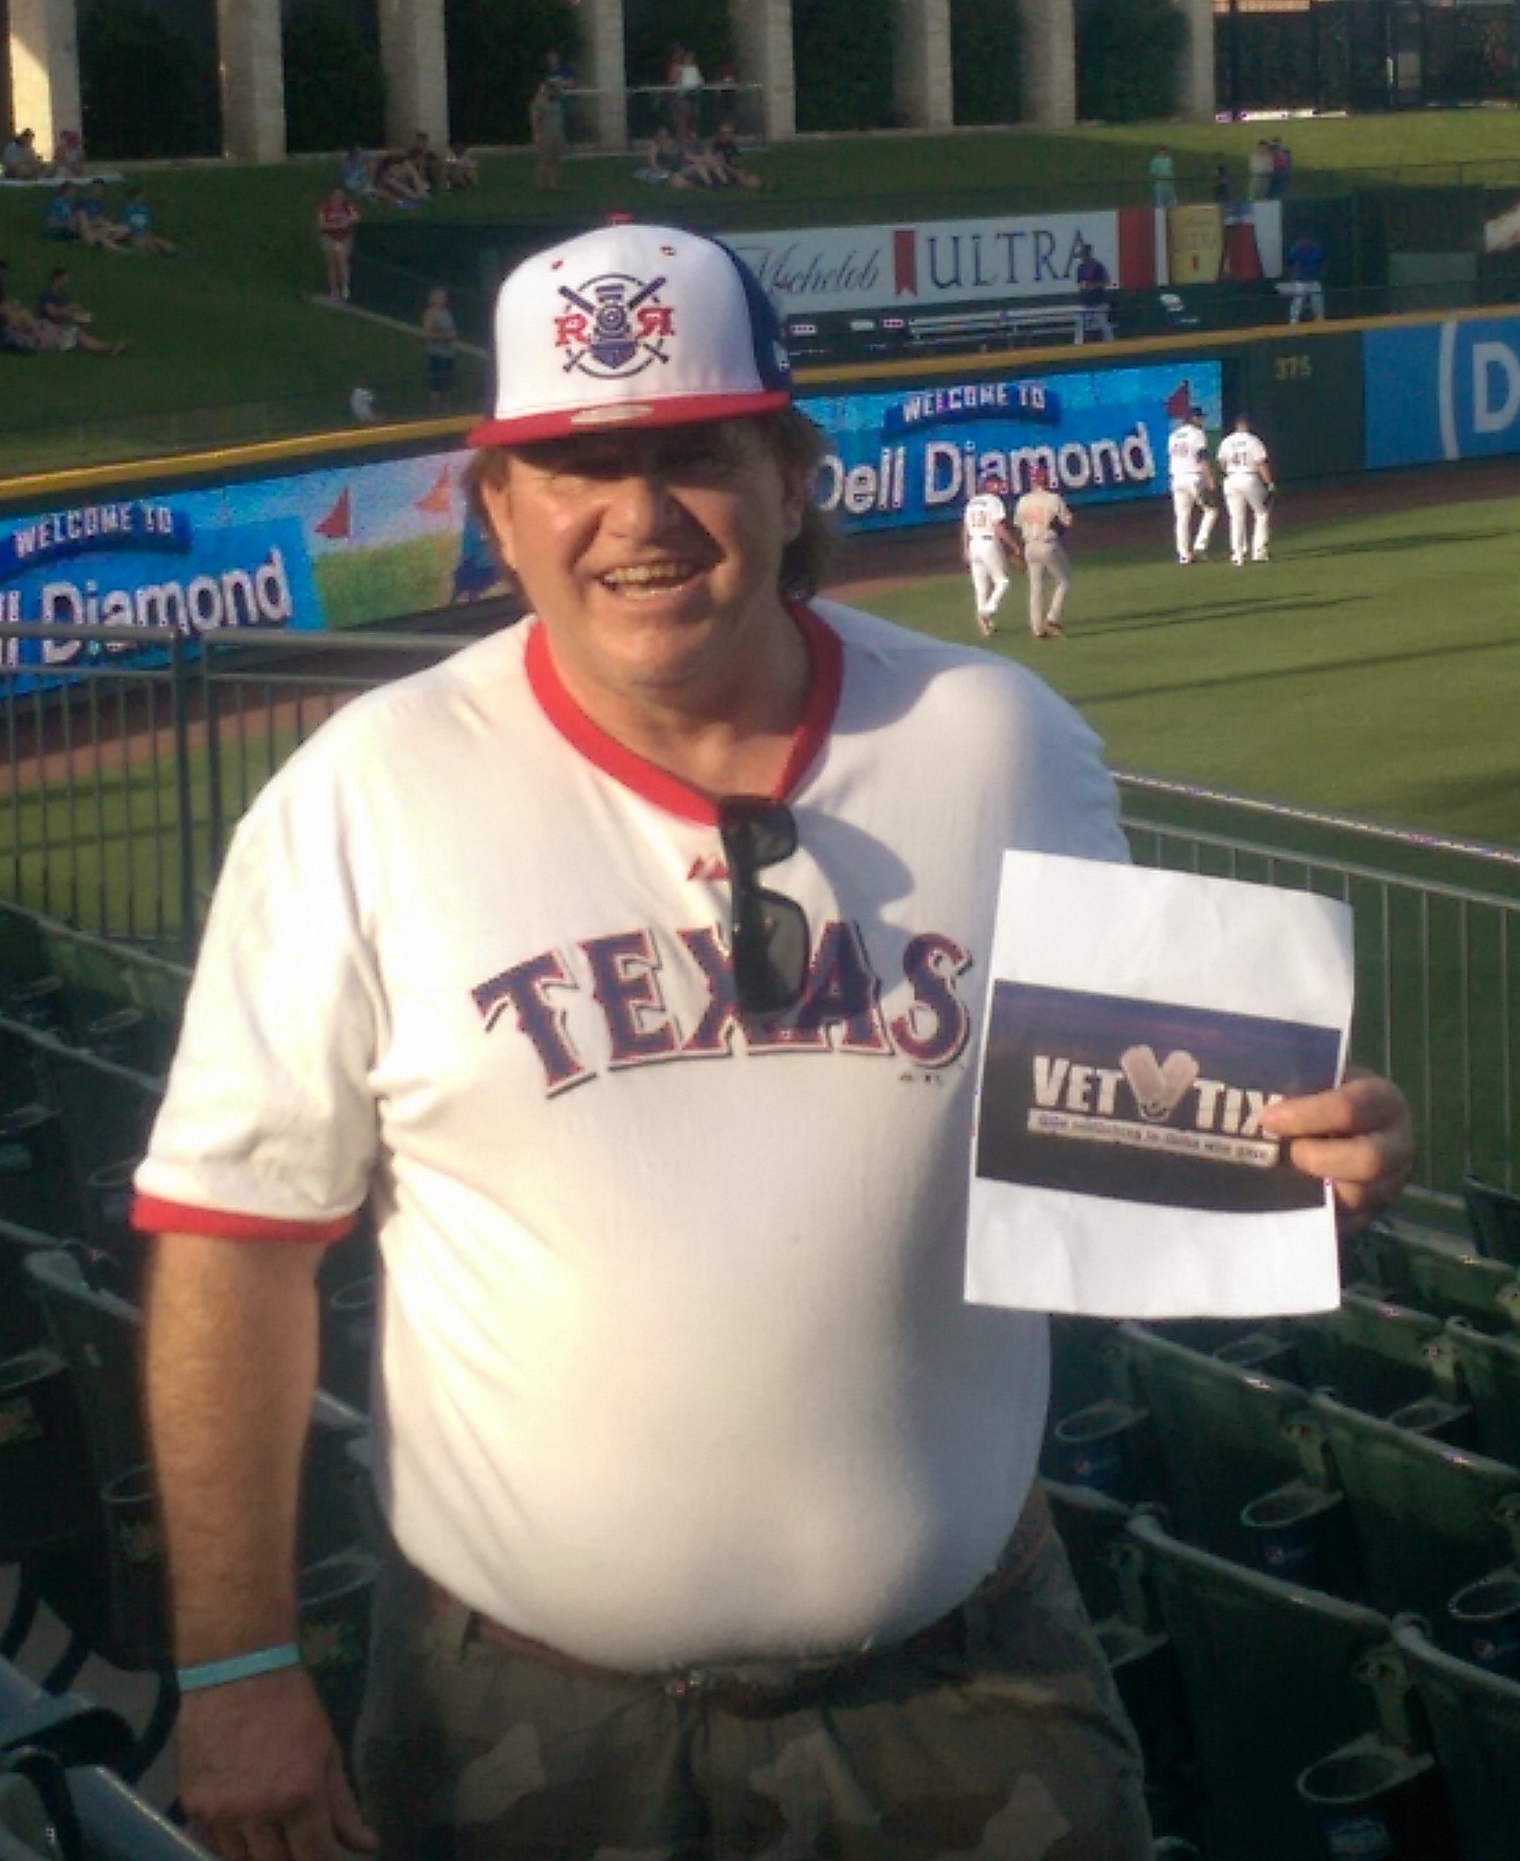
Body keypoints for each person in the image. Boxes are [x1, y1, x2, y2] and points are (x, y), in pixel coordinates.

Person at [132, 220, 1413, 1861]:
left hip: (965, 1693)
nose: (640, 515)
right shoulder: (361, 794)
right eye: (582, 461)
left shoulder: (998, 742)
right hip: (524, 1723)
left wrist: (1300, 1156)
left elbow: (1115, 1142)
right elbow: (232, 1246)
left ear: (798, 472)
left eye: (698, 453)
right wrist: (236, 1666)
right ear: (496, 502)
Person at [1013, 474, 1074, 640]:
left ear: (1032, 482)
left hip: (1029, 546)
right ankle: (1053, 618)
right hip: (1048, 544)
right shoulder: (1053, 499)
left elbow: (1018, 523)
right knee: (1063, 581)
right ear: (1046, 481)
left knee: (1035, 587)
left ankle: (1037, 628)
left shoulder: (1023, 501)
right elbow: (1068, 521)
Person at [1218, 415, 1275, 566]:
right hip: (1249, 478)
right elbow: (1261, 463)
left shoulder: (1227, 441)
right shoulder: (1253, 440)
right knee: (1261, 513)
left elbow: (1222, 464)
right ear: (1248, 425)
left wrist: (1230, 473)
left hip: (1231, 479)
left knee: (1236, 518)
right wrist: (1269, 483)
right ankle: (1259, 552)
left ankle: (1237, 555)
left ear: (1236, 426)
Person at [961, 485, 1018, 637]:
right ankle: (987, 610)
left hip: (974, 544)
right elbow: (997, 526)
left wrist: (966, 547)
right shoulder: (994, 501)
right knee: (1003, 581)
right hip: (988, 542)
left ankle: (985, 625)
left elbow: (966, 527)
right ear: (990, 485)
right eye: (998, 484)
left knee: (981, 587)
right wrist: (1012, 544)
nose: (1001, 487)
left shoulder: (972, 502)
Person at [1168, 405, 1218, 564]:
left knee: (1181, 517)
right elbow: (1202, 457)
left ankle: (1183, 555)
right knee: (1211, 510)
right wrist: (1210, 479)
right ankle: (1200, 546)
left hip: (1177, 479)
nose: (1202, 420)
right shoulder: (1197, 434)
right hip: (1194, 478)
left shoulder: (1173, 435)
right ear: (1193, 418)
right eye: (1200, 417)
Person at [318, 185, 361, 302]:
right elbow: (322, 224)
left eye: (341, 195)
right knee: (332, 264)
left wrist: (347, 221)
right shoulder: (325, 209)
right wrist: (336, 225)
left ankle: (345, 288)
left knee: (342, 261)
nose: (338, 198)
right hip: (329, 237)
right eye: (336, 195)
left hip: (344, 238)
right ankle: (333, 290)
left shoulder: (348, 207)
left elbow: (356, 217)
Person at [420, 285, 458, 412]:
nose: (444, 299)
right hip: (437, 354)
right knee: (436, 384)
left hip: (449, 354)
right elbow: (427, 333)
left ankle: (447, 408)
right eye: (441, 297)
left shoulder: (447, 313)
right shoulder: (430, 313)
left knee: (447, 383)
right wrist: (444, 336)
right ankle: (435, 409)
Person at [529, 73, 566, 190]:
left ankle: (552, 183)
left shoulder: (557, 102)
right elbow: (535, 120)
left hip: (557, 134)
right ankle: (539, 182)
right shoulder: (539, 103)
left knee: (555, 160)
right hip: (546, 134)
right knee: (544, 159)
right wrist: (536, 135)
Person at [1074, 240, 1115, 341]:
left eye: (1083, 254)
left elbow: (1107, 281)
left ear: (1088, 253)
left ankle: (1111, 343)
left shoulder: (1097, 266)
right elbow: (1079, 282)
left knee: (1104, 324)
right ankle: (1078, 344)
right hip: (1086, 302)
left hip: (1099, 301)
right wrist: (1082, 285)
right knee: (1080, 321)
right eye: (1081, 254)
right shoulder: (1080, 267)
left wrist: (1094, 286)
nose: (1082, 257)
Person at [1283, 230, 1327, 325]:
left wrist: (1321, 273)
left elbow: (1323, 261)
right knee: (1298, 301)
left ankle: (1320, 320)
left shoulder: (1316, 248)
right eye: (1302, 239)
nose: (1304, 241)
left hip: (1314, 279)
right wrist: (1292, 275)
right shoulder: (1295, 249)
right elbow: (1288, 263)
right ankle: (1293, 322)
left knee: (1317, 301)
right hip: (1300, 280)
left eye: (1306, 239)